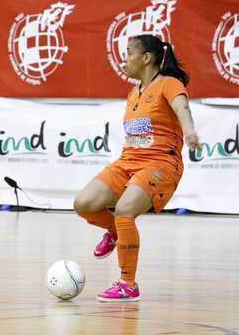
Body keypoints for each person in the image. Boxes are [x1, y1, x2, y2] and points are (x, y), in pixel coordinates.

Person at [74, 34, 200, 302]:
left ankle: (127, 284)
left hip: (161, 164)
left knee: (125, 209)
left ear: (147, 58)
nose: (125, 59)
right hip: (127, 162)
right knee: (84, 203)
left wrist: (189, 131)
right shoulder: (134, 93)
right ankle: (115, 232)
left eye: (129, 53)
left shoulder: (169, 83)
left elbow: (182, 107)